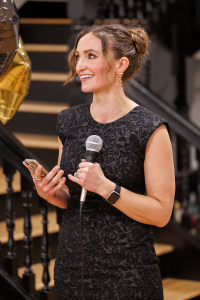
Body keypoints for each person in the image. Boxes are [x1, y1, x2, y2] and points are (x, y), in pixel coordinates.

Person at [23, 23, 175, 299]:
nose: (80, 64)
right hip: (73, 268)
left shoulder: (150, 128)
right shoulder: (69, 121)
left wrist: (106, 188)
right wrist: (50, 192)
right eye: (78, 56)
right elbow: (72, 197)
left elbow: (162, 213)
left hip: (128, 273)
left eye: (91, 56)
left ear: (121, 65)